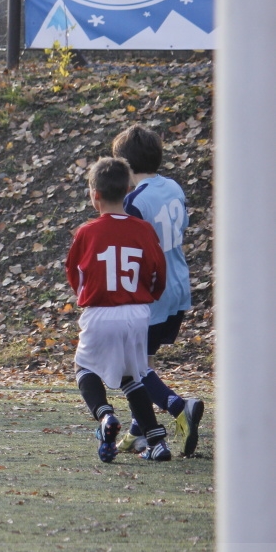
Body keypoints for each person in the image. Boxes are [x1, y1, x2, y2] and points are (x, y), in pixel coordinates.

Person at [66, 157, 172, 463]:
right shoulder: (143, 230)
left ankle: (105, 416)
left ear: (94, 194)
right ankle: (156, 441)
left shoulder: (87, 232)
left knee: (84, 368)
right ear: (128, 190)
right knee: (133, 375)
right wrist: (147, 297)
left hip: (101, 311)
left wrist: (87, 297)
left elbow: (76, 274)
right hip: (137, 312)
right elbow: (157, 273)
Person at [110, 125, 204, 456]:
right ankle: (138, 433)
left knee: (131, 368)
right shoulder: (174, 188)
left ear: (123, 165)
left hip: (153, 293)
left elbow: (130, 252)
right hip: (179, 286)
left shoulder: (134, 201)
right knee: (144, 361)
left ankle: (180, 407)